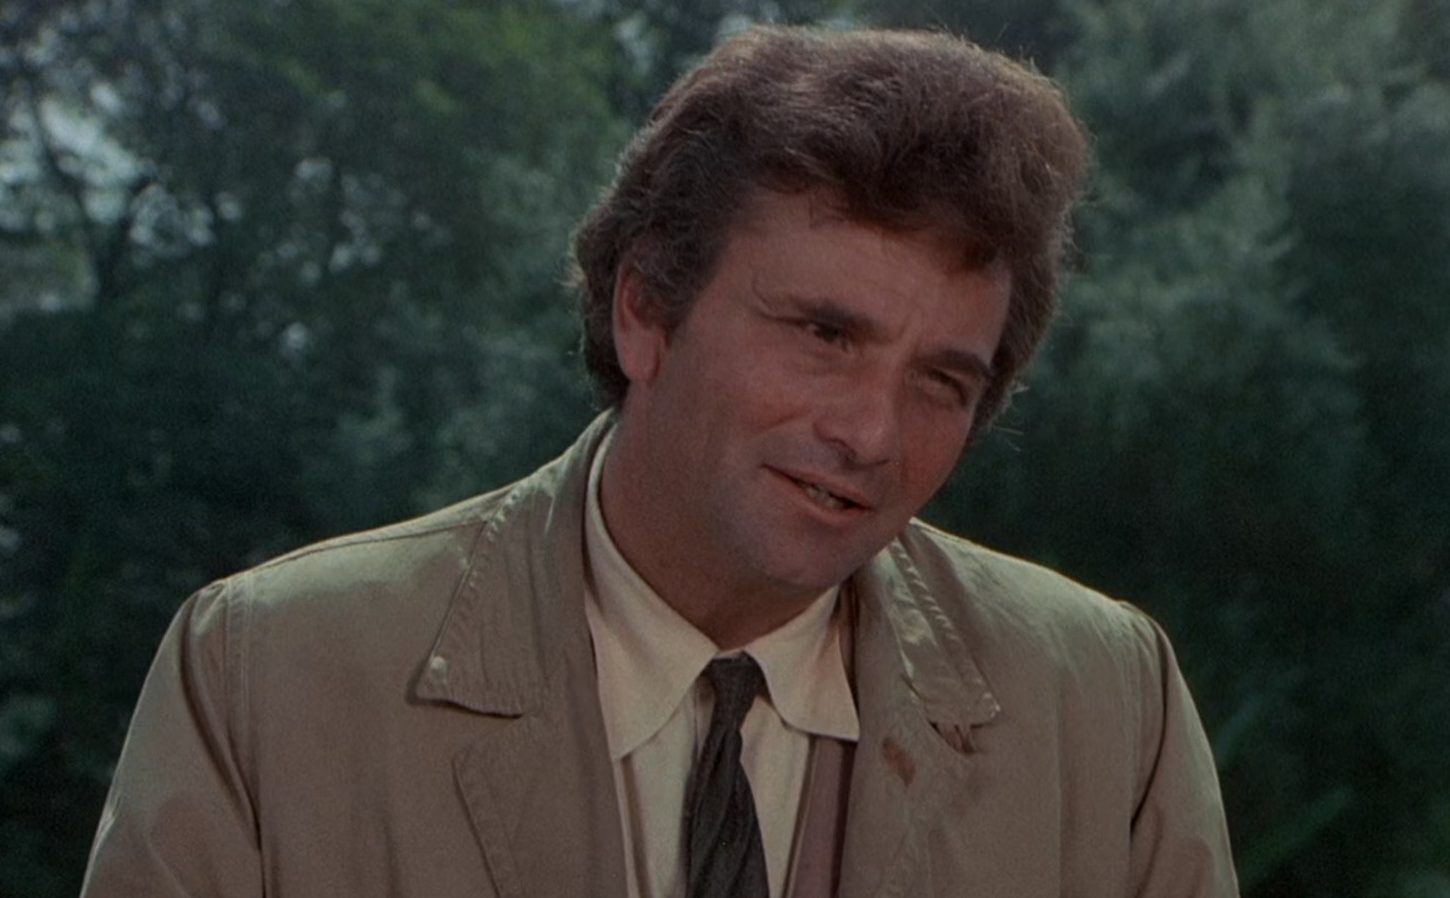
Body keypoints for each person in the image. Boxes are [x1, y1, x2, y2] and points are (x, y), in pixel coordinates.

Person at [80, 25, 1239, 898]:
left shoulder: (1105, 702)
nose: (873, 433)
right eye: (824, 334)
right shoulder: (268, 673)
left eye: (941, 380)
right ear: (644, 310)